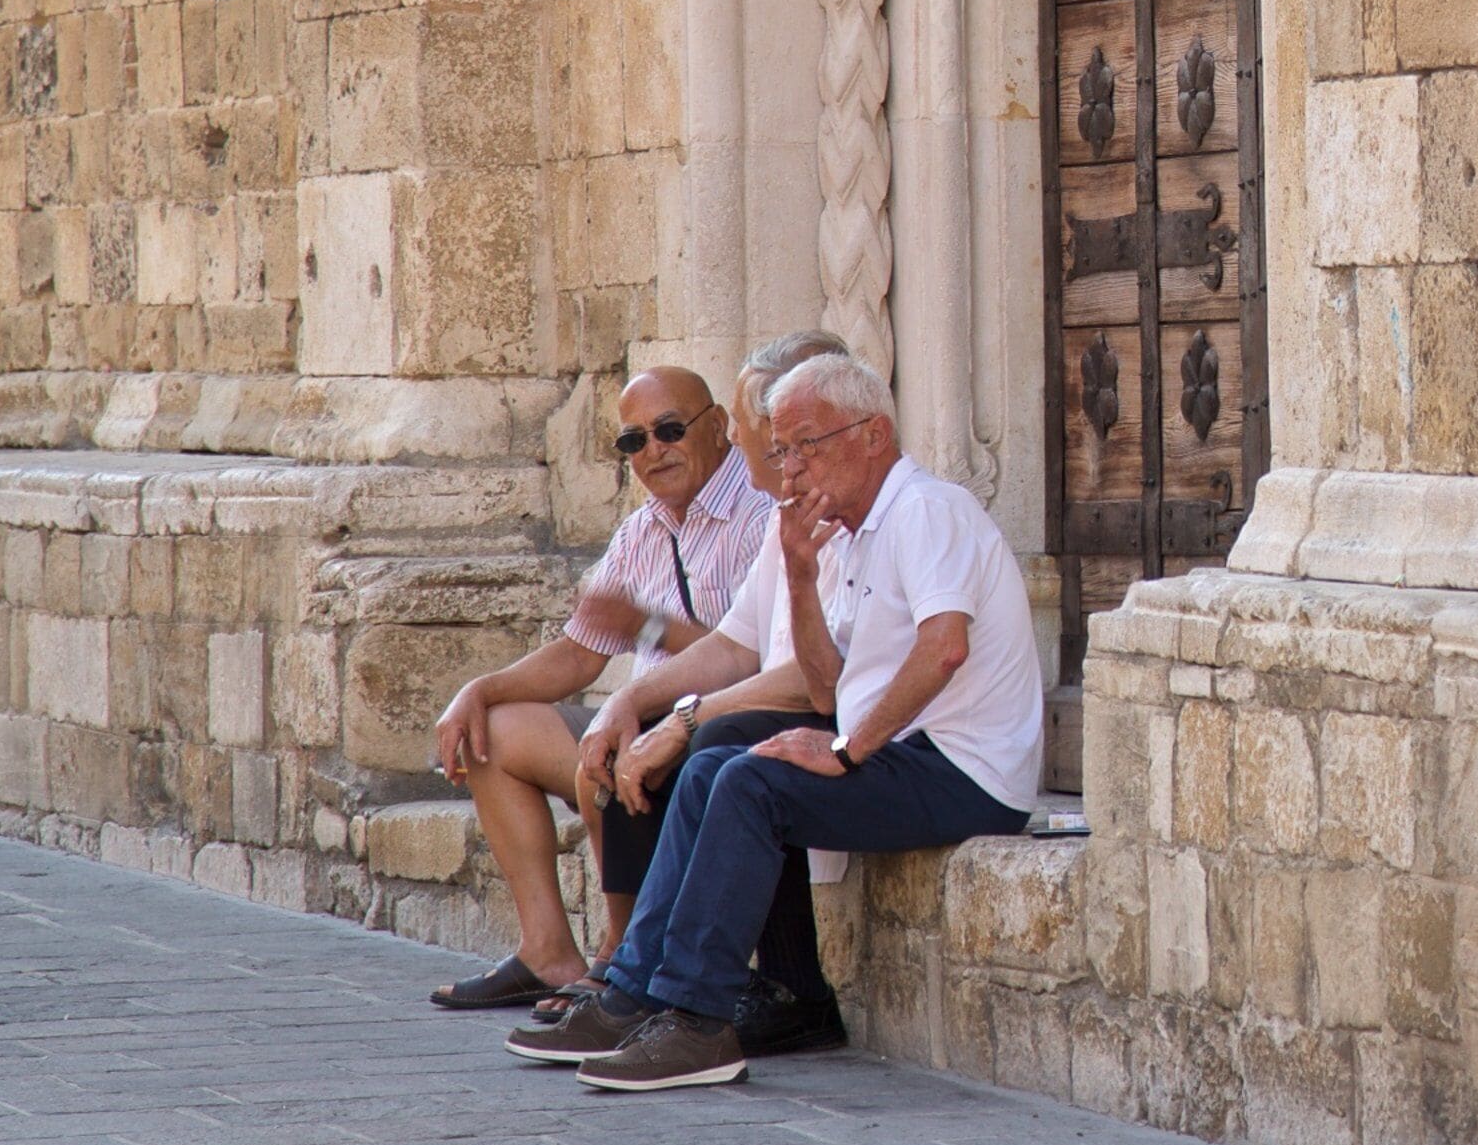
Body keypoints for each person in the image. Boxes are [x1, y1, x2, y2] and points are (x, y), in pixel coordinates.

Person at [504, 352, 1047, 1090]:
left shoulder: (925, 510)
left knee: (749, 783)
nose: (790, 469)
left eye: (807, 446)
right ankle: (637, 992)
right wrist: (798, 575)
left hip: (965, 770)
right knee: (719, 767)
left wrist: (850, 750)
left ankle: (698, 1021)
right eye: (783, 450)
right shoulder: (848, 531)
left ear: (874, 436)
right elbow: (825, 683)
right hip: (906, 755)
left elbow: (943, 647)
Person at [425, 367, 773, 1011]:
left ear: (719, 426)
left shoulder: (761, 512)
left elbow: (756, 663)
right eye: (632, 441)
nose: (653, 451)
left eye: (670, 430)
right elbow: (582, 651)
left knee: (610, 753)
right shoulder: (645, 527)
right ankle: (548, 952)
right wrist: (479, 688)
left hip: (720, 733)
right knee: (492, 732)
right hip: (643, 725)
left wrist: (650, 627)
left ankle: (620, 959)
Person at [556, 328, 858, 1054]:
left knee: (729, 754)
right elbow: (738, 646)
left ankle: (680, 1000)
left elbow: (819, 684)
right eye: (772, 444)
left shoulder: (862, 515)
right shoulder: (797, 515)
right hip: (843, 731)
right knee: (709, 743)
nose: (771, 462)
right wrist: (636, 703)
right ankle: (647, 982)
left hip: (911, 753)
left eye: (780, 443)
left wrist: (682, 718)